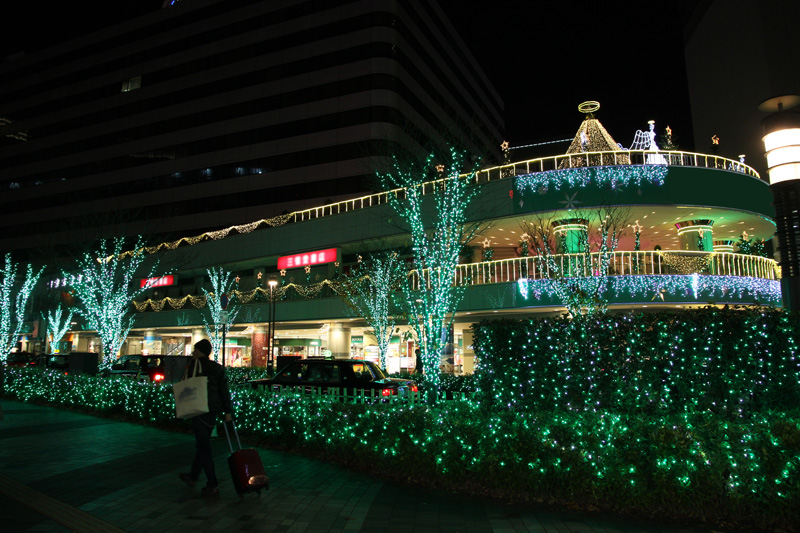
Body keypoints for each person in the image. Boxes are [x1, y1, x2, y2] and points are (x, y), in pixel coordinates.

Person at [178, 339, 233, 497]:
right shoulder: (218, 368)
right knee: (203, 444)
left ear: (199, 351)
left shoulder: (194, 366)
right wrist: (228, 411)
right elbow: (224, 390)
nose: (193, 352)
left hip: (198, 409)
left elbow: (183, 384)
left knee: (204, 447)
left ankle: (212, 484)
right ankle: (193, 476)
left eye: (195, 350)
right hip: (212, 411)